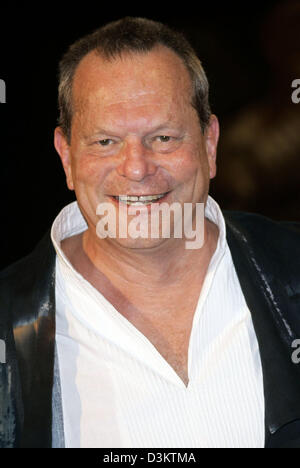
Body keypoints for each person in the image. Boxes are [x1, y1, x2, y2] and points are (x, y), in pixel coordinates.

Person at [1, 17, 300, 449]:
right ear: (66, 156)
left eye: (163, 137)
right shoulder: (8, 327)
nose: (137, 168)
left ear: (210, 144)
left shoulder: (292, 268)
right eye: (105, 142)